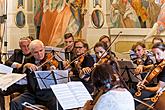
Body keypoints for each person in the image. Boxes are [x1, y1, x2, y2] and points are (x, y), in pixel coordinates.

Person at [10, 40, 58, 110]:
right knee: (14, 102)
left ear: (44, 49)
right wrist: (25, 66)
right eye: (36, 52)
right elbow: (19, 73)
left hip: (48, 94)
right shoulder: (28, 60)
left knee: (57, 104)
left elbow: (59, 74)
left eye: (41, 50)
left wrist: (54, 70)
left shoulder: (51, 59)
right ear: (31, 53)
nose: (39, 54)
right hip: (32, 93)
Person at [0, 37, 31, 110]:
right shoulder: (17, 53)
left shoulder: (33, 54)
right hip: (15, 82)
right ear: (20, 47)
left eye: (28, 45)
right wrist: (16, 65)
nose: (26, 48)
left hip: (27, 85)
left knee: (17, 102)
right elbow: (7, 62)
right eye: (23, 46)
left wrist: (23, 66)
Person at [135, 43, 165, 110]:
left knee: (140, 106)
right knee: (136, 96)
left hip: (161, 92)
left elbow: (158, 87)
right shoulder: (160, 62)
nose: (156, 57)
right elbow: (152, 66)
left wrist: (146, 88)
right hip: (157, 88)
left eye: (158, 53)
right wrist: (142, 66)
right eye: (154, 55)